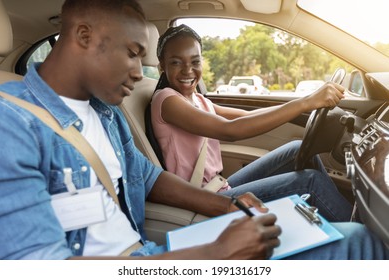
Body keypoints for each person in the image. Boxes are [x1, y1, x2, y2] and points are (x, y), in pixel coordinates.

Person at [0, 0, 387, 260]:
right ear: (84, 36)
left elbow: (148, 177)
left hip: (152, 253)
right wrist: (213, 253)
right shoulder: (11, 123)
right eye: (133, 54)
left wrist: (229, 205)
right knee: (359, 242)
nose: (140, 73)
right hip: (151, 260)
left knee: (349, 236)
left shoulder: (104, 110)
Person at [151, 24, 352, 223]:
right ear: (162, 66)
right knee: (310, 182)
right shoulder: (167, 100)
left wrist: (305, 102)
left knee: (296, 150)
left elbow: (245, 116)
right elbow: (229, 131)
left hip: (220, 186)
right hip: (202, 200)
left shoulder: (197, 99)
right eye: (176, 63)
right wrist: (305, 102)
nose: (188, 70)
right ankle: (361, 236)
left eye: (195, 62)